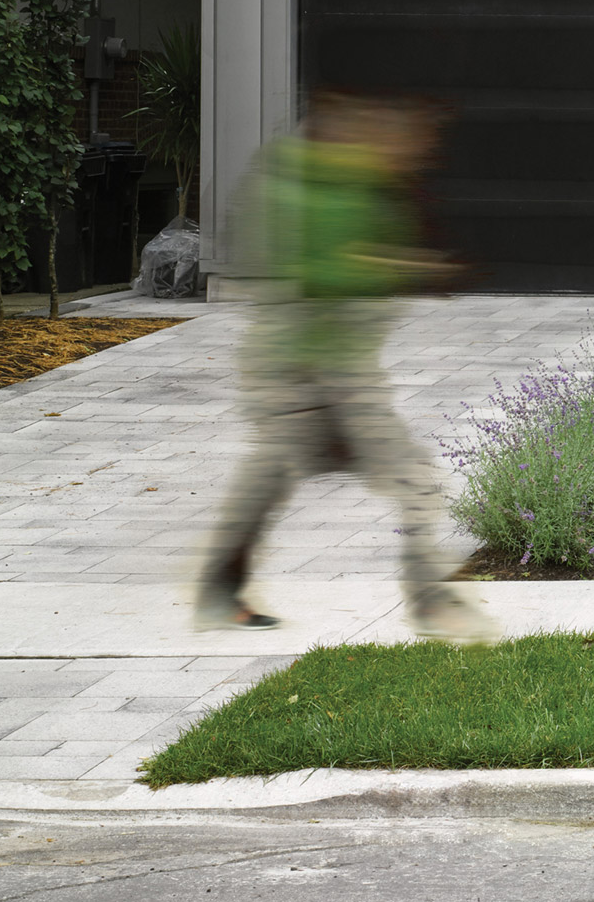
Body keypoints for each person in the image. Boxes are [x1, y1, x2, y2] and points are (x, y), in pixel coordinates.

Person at [197, 91, 495, 640]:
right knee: (407, 480)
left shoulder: (359, 187)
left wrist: (408, 267)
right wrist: (410, 268)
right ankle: (430, 603)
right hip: (303, 373)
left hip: (334, 369)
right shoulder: (307, 189)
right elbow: (324, 271)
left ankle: (220, 590)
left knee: (284, 479)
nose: (416, 150)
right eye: (407, 137)